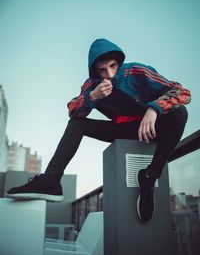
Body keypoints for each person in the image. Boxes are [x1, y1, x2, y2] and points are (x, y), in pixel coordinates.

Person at [7, 38, 191, 223]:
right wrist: (92, 97)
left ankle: (149, 177)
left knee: (180, 113)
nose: (109, 74)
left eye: (113, 66)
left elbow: (182, 92)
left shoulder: (137, 71)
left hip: (150, 126)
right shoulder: (91, 85)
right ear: (94, 70)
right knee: (77, 124)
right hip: (122, 129)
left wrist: (154, 109)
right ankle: (51, 180)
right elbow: (73, 111)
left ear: (119, 62)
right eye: (102, 70)